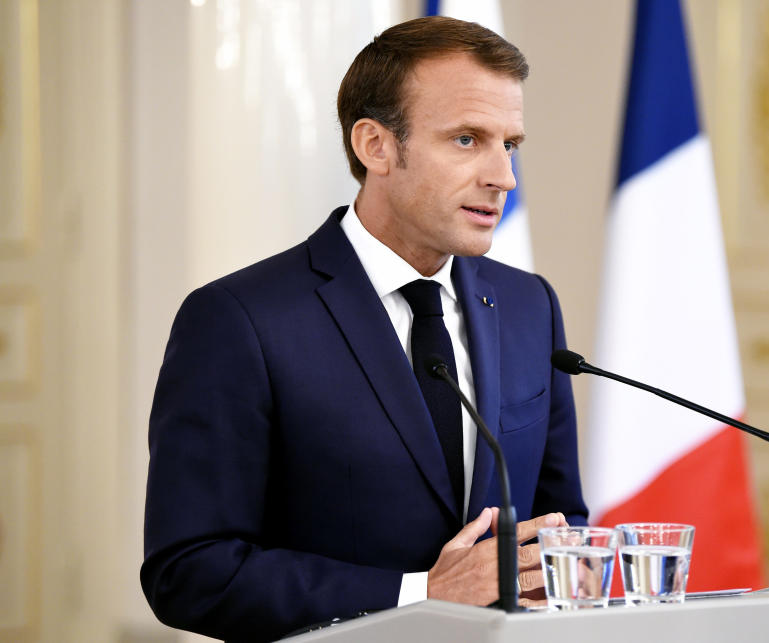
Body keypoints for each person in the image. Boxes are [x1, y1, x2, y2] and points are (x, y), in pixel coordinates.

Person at [141, 16, 588, 642]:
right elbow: (189, 572)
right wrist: (420, 596)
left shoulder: (527, 305)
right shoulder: (239, 319)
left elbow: (559, 521)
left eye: (509, 144)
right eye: (466, 139)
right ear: (375, 146)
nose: (503, 177)